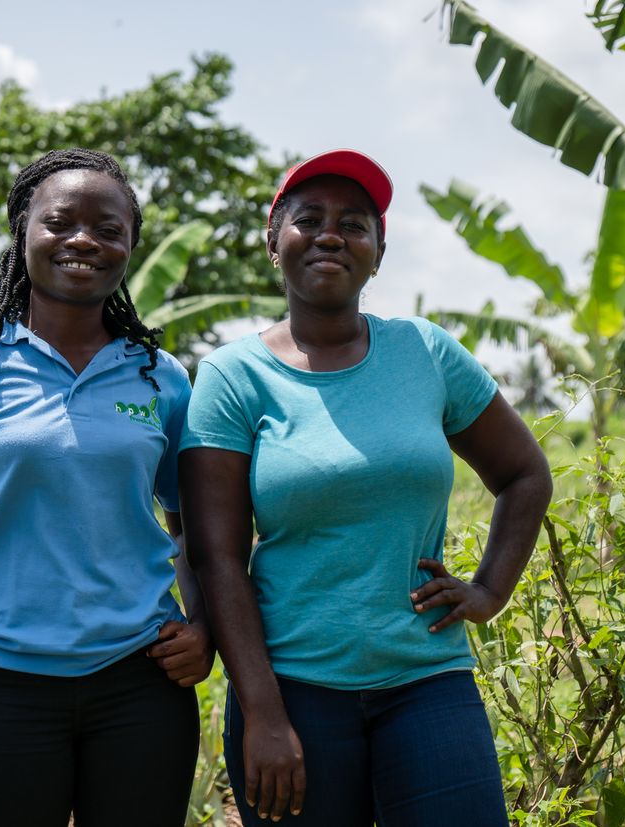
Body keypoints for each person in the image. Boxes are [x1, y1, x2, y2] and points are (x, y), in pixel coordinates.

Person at [178, 149, 553, 826]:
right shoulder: (232, 378)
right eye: (309, 218)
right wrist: (261, 710)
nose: (330, 234)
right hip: (293, 689)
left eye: (355, 223)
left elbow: (524, 473)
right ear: (274, 241)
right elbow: (218, 555)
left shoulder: (426, 352)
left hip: (426, 679)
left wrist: (490, 589)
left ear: (378, 252)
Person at [0, 148, 213, 826]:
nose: (84, 239)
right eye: (60, 222)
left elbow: (195, 531)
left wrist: (203, 626)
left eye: (109, 228)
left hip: (140, 680)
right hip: (0, 685)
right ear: (23, 232)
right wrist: (5, 590)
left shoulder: (161, 378)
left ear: (129, 246)